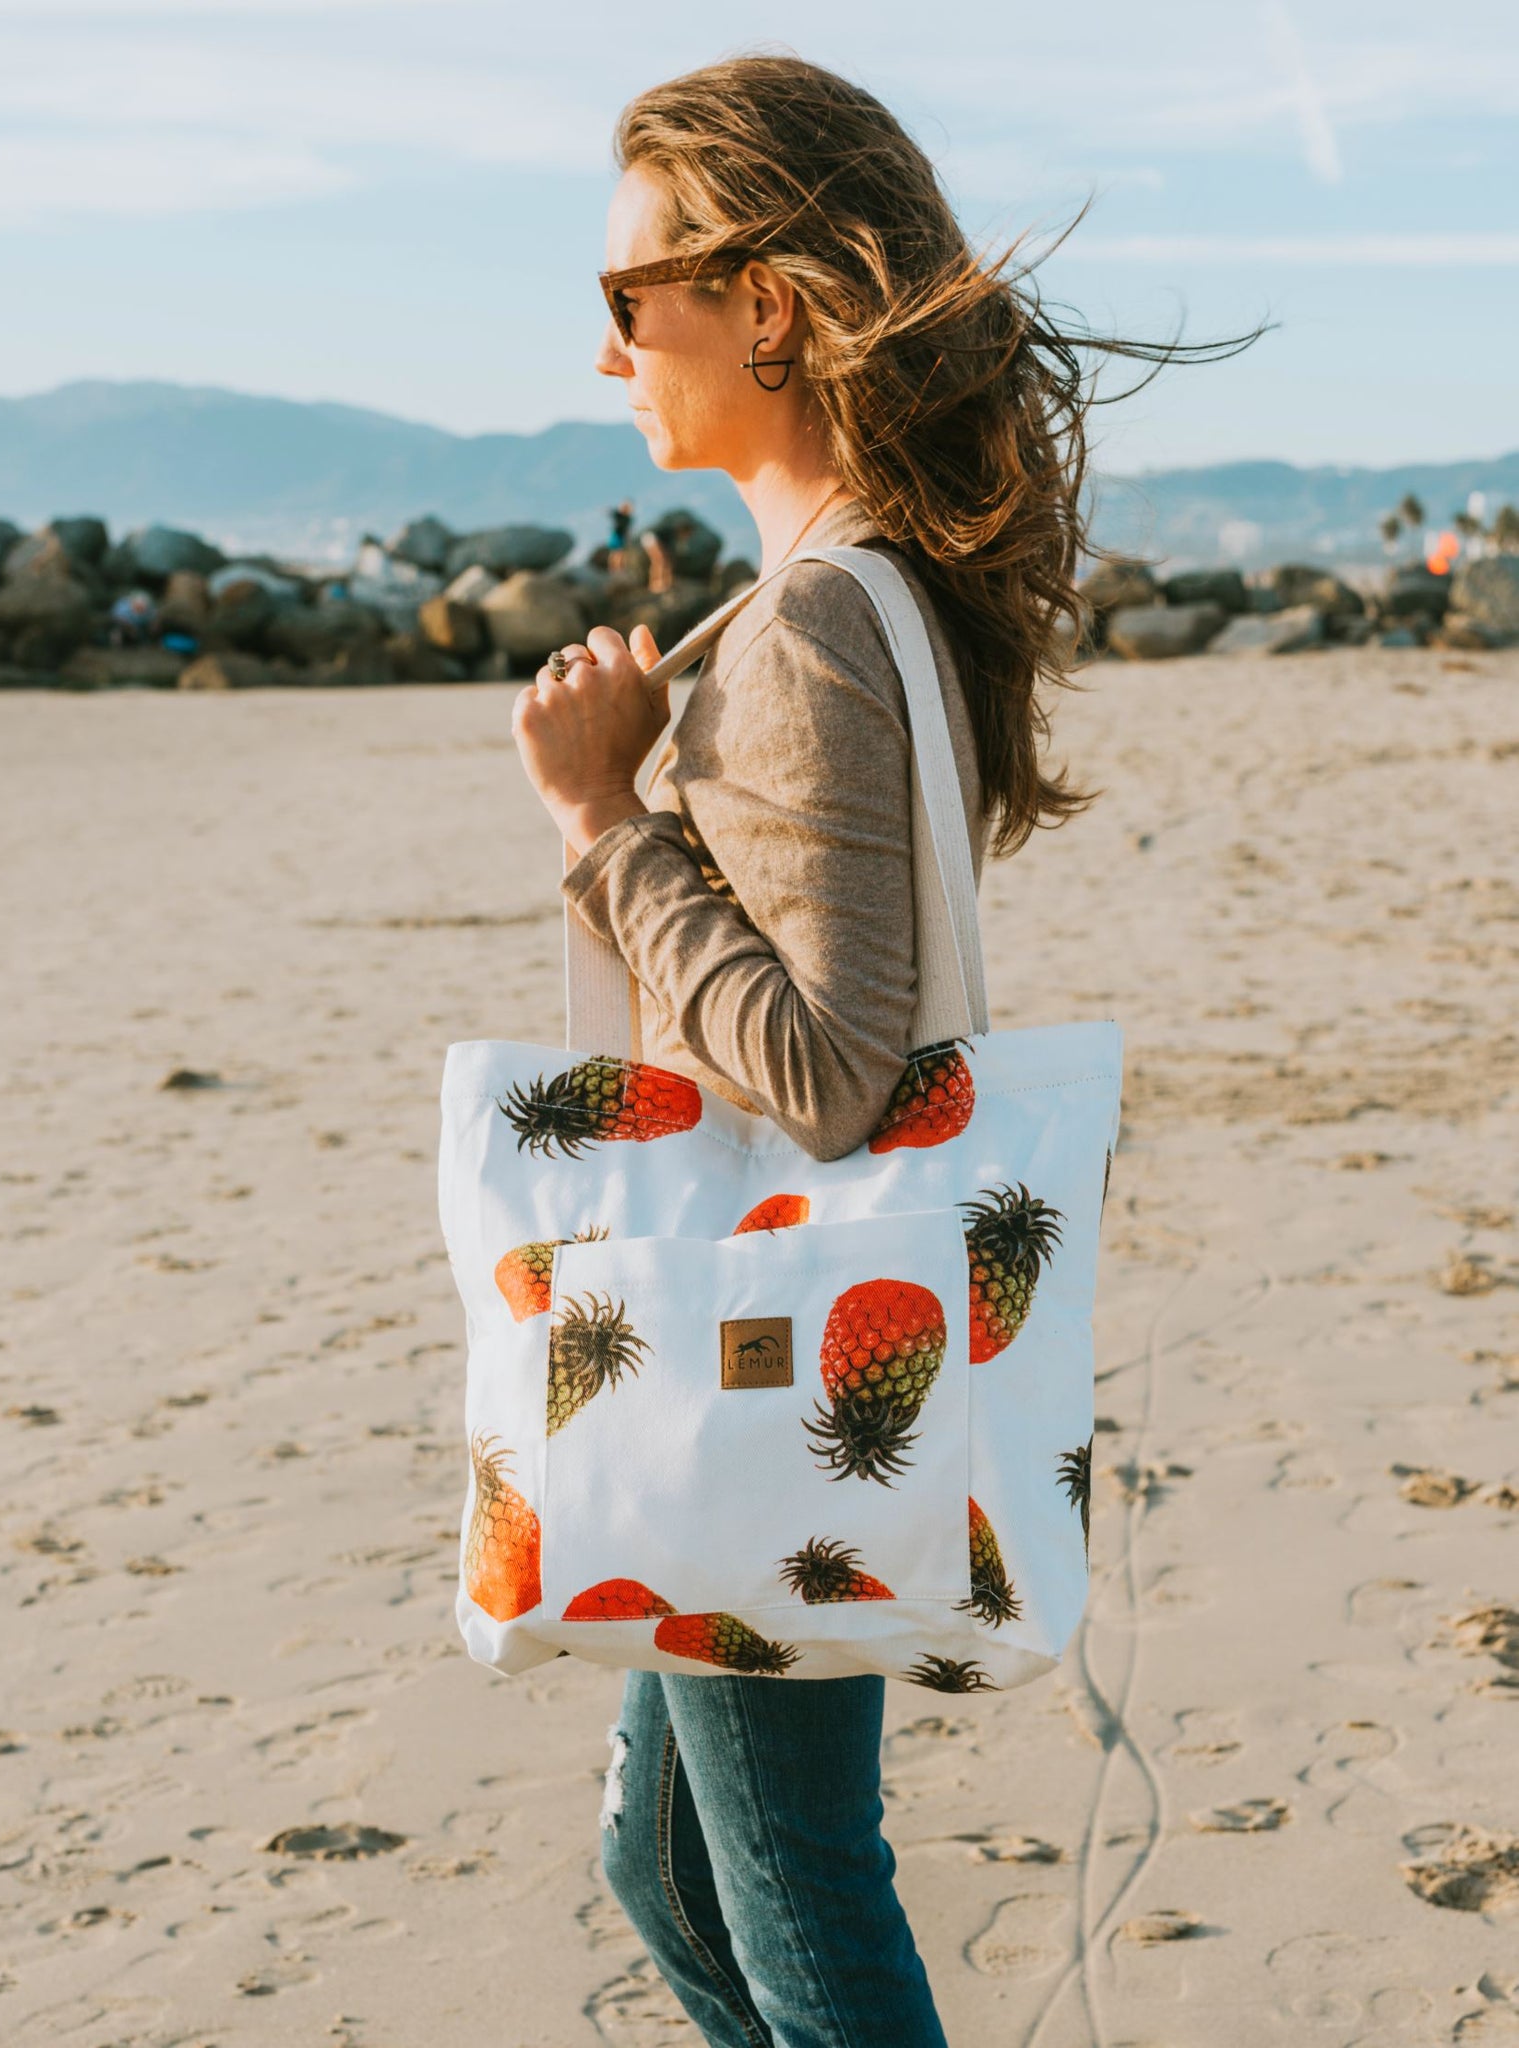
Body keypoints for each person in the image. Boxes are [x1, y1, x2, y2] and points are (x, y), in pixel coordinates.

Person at [509, 55, 1259, 2047]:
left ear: (763, 301)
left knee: (785, 1885)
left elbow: (830, 1072)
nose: (606, 355)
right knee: (668, 1865)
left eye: (624, 299)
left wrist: (604, 823)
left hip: (766, 1341)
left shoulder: (814, 626)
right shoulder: (859, 601)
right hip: (800, 1330)